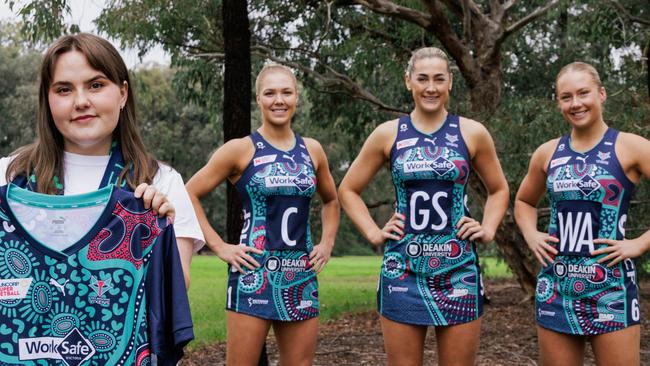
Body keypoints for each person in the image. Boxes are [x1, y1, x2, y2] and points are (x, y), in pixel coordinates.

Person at [338, 47, 509, 365]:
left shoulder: (472, 132)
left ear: (450, 83)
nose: (431, 87)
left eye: (439, 79)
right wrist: (374, 233)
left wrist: (487, 229)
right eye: (423, 79)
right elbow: (348, 189)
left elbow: (499, 189)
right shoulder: (388, 134)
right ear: (408, 81)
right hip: (402, 270)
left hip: (458, 270)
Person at [0, 33, 204, 289]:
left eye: (96, 85)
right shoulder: (8, 176)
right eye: (64, 90)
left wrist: (162, 232)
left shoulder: (162, 182)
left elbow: (176, 292)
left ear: (122, 93)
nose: (81, 102)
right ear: (47, 99)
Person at [186, 63, 340, 366]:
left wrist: (326, 244)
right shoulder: (240, 149)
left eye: (286, 92)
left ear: (297, 97)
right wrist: (219, 246)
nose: (278, 100)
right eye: (270, 93)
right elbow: (188, 193)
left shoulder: (313, 151)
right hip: (253, 276)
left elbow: (332, 200)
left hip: (300, 276)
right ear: (259, 99)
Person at [514, 61, 650, 365]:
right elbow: (523, 202)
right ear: (558, 102)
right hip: (557, 288)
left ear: (601, 94)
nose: (576, 103)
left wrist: (640, 243)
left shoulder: (630, 146)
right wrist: (532, 234)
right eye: (566, 97)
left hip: (611, 287)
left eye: (583, 93)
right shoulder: (548, 153)